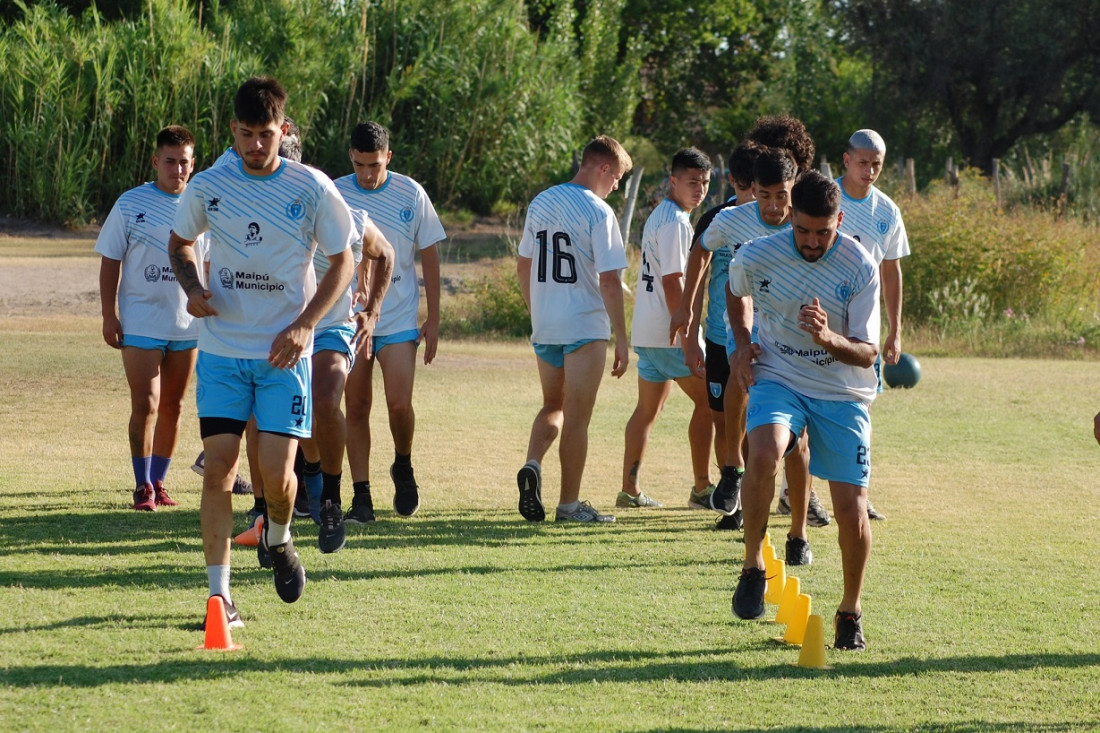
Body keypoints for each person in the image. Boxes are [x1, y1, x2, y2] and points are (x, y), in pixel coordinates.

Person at [169, 77, 355, 625]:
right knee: (219, 470)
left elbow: (344, 260)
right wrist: (191, 288)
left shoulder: (311, 187)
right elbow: (180, 242)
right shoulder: (208, 185)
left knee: (277, 479)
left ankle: (278, 535)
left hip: (284, 358)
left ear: (285, 130)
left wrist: (305, 325)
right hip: (224, 352)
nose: (255, 144)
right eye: (246, 134)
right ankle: (219, 596)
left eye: (266, 134)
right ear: (233, 130)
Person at [728, 171, 880, 650]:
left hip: (842, 390)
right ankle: (753, 565)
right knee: (764, 450)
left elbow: (868, 353)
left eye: (823, 232)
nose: (812, 242)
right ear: (790, 216)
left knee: (851, 510)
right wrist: (741, 343)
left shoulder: (860, 265)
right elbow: (737, 290)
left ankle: (850, 611)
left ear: (840, 220)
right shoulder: (757, 253)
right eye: (803, 230)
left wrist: (827, 337)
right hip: (780, 375)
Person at [515, 135, 632, 523]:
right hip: (584, 326)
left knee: (553, 405)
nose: (616, 187)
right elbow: (610, 281)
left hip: (546, 324)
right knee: (578, 418)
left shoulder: (541, 201)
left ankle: (533, 463)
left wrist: (539, 311)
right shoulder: (599, 212)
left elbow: (524, 266)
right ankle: (568, 505)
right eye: (616, 178)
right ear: (602, 168)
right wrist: (622, 336)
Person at [337, 122, 446, 522]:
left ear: (389, 157)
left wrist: (433, 318)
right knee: (357, 405)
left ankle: (403, 464)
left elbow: (430, 254)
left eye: (375, 165)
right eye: (360, 164)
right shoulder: (335, 192)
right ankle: (361, 496)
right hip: (351, 320)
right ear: (351, 156)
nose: (366, 173)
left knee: (399, 405)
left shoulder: (411, 193)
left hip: (398, 317)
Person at [96, 125, 203, 511]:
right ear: (156, 161)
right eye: (170, 161)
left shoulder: (203, 204)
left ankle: (159, 482)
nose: (177, 169)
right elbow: (111, 260)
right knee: (146, 402)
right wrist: (109, 315)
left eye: (184, 162)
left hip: (187, 325)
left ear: (193, 164)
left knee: (173, 405)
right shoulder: (130, 203)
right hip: (141, 321)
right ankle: (141, 486)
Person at [619, 148, 713, 509]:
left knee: (647, 410)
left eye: (704, 183)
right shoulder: (675, 222)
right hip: (671, 336)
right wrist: (690, 339)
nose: (699, 190)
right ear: (673, 181)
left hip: (649, 332)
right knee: (710, 401)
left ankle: (629, 490)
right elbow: (674, 283)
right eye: (692, 182)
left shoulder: (661, 214)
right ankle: (702, 489)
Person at [672, 140, 761, 513]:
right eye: (748, 186)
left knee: (760, 426)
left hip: (765, 339)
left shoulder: (785, 219)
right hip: (719, 336)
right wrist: (690, 337)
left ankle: (764, 497)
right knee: (724, 423)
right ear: (734, 182)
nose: (756, 195)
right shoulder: (717, 220)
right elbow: (698, 267)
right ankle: (733, 498)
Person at [837, 128, 911, 521]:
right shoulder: (825, 198)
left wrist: (894, 329)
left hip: (864, 332)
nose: (869, 171)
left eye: (876, 164)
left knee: (860, 410)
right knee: (813, 403)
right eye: (863, 162)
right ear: (846, 160)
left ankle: (860, 494)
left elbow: (892, 270)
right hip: (823, 322)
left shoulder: (887, 211)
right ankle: (795, 493)